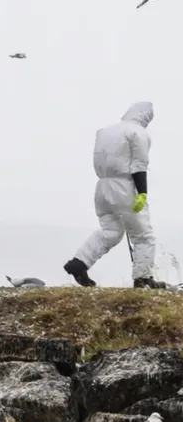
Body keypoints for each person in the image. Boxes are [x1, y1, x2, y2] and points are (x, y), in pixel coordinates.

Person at [64, 101, 165, 289]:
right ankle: (143, 278)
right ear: (146, 117)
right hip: (124, 187)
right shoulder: (138, 133)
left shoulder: (105, 132)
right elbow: (138, 166)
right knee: (143, 235)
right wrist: (142, 192)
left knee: (110, 231)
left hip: (102, 186)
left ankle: (78, 263)